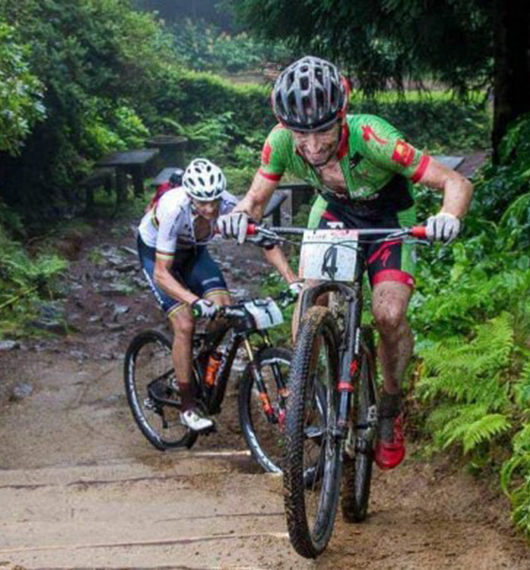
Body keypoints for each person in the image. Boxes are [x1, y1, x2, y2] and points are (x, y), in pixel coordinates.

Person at [217, 56, 474, 469]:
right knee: (307, 307)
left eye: (322, 132)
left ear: (342, 116)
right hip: (335, 215)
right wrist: (239, 217)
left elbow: (456, 182)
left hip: (389, 219)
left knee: (388, 315)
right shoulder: (280, 141)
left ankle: (390, 404)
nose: (313, 147)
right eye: (301, 134)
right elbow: (254, 202)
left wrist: (447, 217)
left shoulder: (373, 136)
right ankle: (310, 389)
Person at [137, 158, 297, 432]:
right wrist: (194, 301)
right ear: (189, 195)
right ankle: (187, 407)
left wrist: (293, 281)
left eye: (213, 200)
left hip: (194, 253)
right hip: (157, 255)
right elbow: (162, 273)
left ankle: (199, 359)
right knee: (185, 322)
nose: (210, 208)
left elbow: (265, 241)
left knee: (223, 309)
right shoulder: (174, 208)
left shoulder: (227, 204)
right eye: (202, 202)